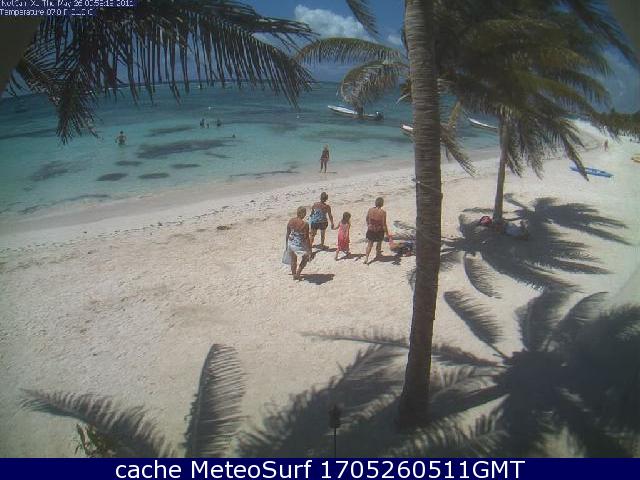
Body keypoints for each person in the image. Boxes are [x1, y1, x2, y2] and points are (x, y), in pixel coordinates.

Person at [284, 206, 312, 280]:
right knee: (305, 257)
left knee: (293, 259)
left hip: (290, 243)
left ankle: (294, 275)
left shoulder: (291, 220)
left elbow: (287, 233)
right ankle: (298, 273)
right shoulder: (305, 224)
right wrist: (309, 249)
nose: (305, 214)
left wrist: (286, 244)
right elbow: (306, 238)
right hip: (298, 245)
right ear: (302, 213)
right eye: (305, 213)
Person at [364, 197, 389, 264]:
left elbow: (367, 218)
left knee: (369, 245)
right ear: (382, 204)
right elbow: (384, 224)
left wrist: (368, 225)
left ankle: (366, 258)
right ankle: (377, 255)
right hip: (379, 230)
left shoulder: (370, 210)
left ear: (375, 203)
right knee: (379, 243)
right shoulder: (383, 212)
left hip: (371, 229)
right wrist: (387, 233)